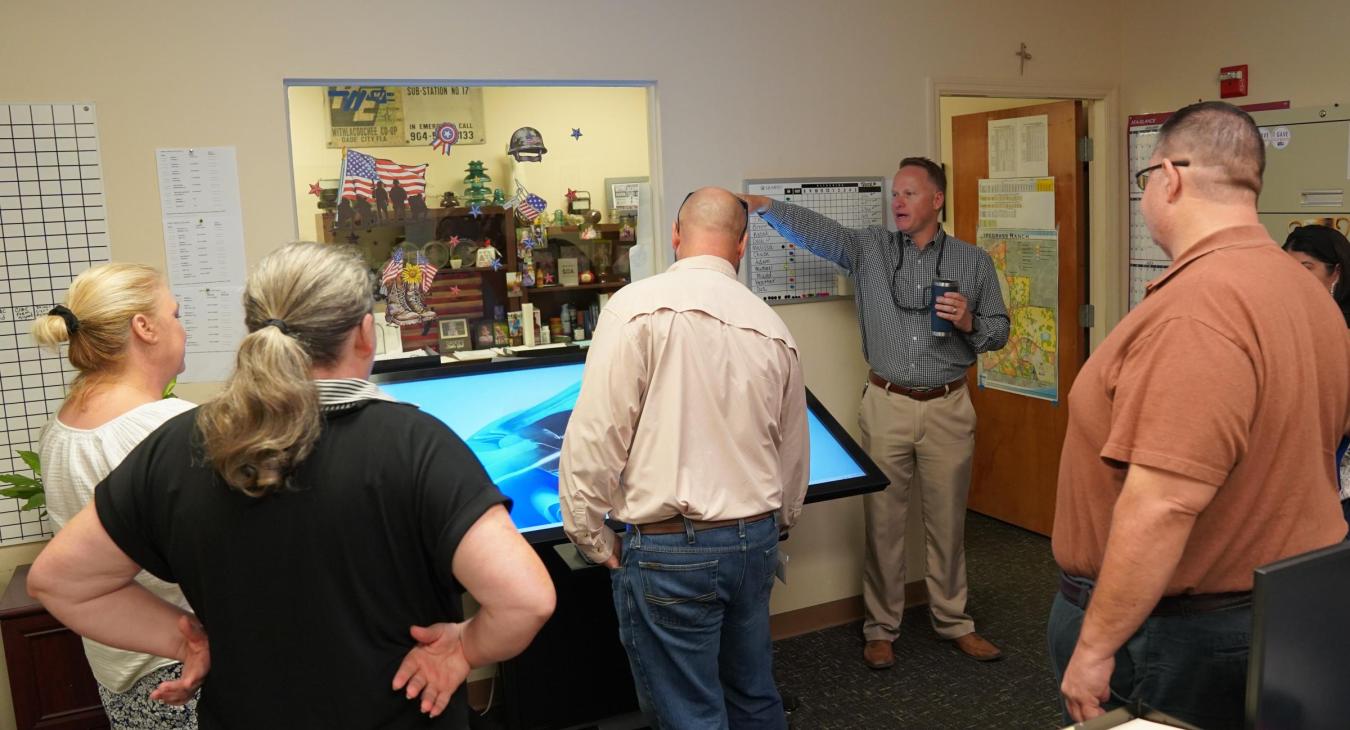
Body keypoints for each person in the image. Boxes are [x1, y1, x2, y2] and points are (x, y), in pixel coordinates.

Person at [29, 242, 556, 728]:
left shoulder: (178, 444)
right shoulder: (416, 445)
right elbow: (525, 601)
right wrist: (463, 649)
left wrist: (185, 638)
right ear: (365, 332)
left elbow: (60, 582)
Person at [1050, 101, 1350, 728]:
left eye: (1144, 181)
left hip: (1172, 638)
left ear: (1170, 177)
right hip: (1270, 617)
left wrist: (1097, 645)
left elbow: (1164, 503)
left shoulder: (1198, 310)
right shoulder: (1309, 294)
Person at [741, 157, 1010, 669]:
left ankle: (953, 620)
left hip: (949, 406)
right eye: (896, 194)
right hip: (886, 403)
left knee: (949, 524)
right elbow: (820, 231)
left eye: (910, 194)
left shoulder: (974, 263)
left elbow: (998, 331)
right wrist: (764, 206)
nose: (898, 202)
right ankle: (881, 628)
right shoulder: (870, 250)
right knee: (883, 524)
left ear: (937, 200)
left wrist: (971, 320)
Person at [559, 187, 809, 729]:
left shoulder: (633, 309)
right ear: (740, 246)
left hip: (669, 547)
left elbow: (597, 435)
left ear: (676, 236)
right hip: (754, 542)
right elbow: (792, 452)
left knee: (689, 712)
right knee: (754, 693)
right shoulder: (774, 329)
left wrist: (590, 536)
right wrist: (778, 523)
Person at [32, 263, 198, 728]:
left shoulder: (62, 426)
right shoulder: (168, 428)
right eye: (176, 313)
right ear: (144, 328)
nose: (182, 327)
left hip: (119, 669)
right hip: (181, 668)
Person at [1282, 223, 1350, 531]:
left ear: (1335, 272)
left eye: (1307, 267)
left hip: (1338, 473)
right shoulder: (1286, 314)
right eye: (1289, 267)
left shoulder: (1342, 328)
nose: (1295, 277)